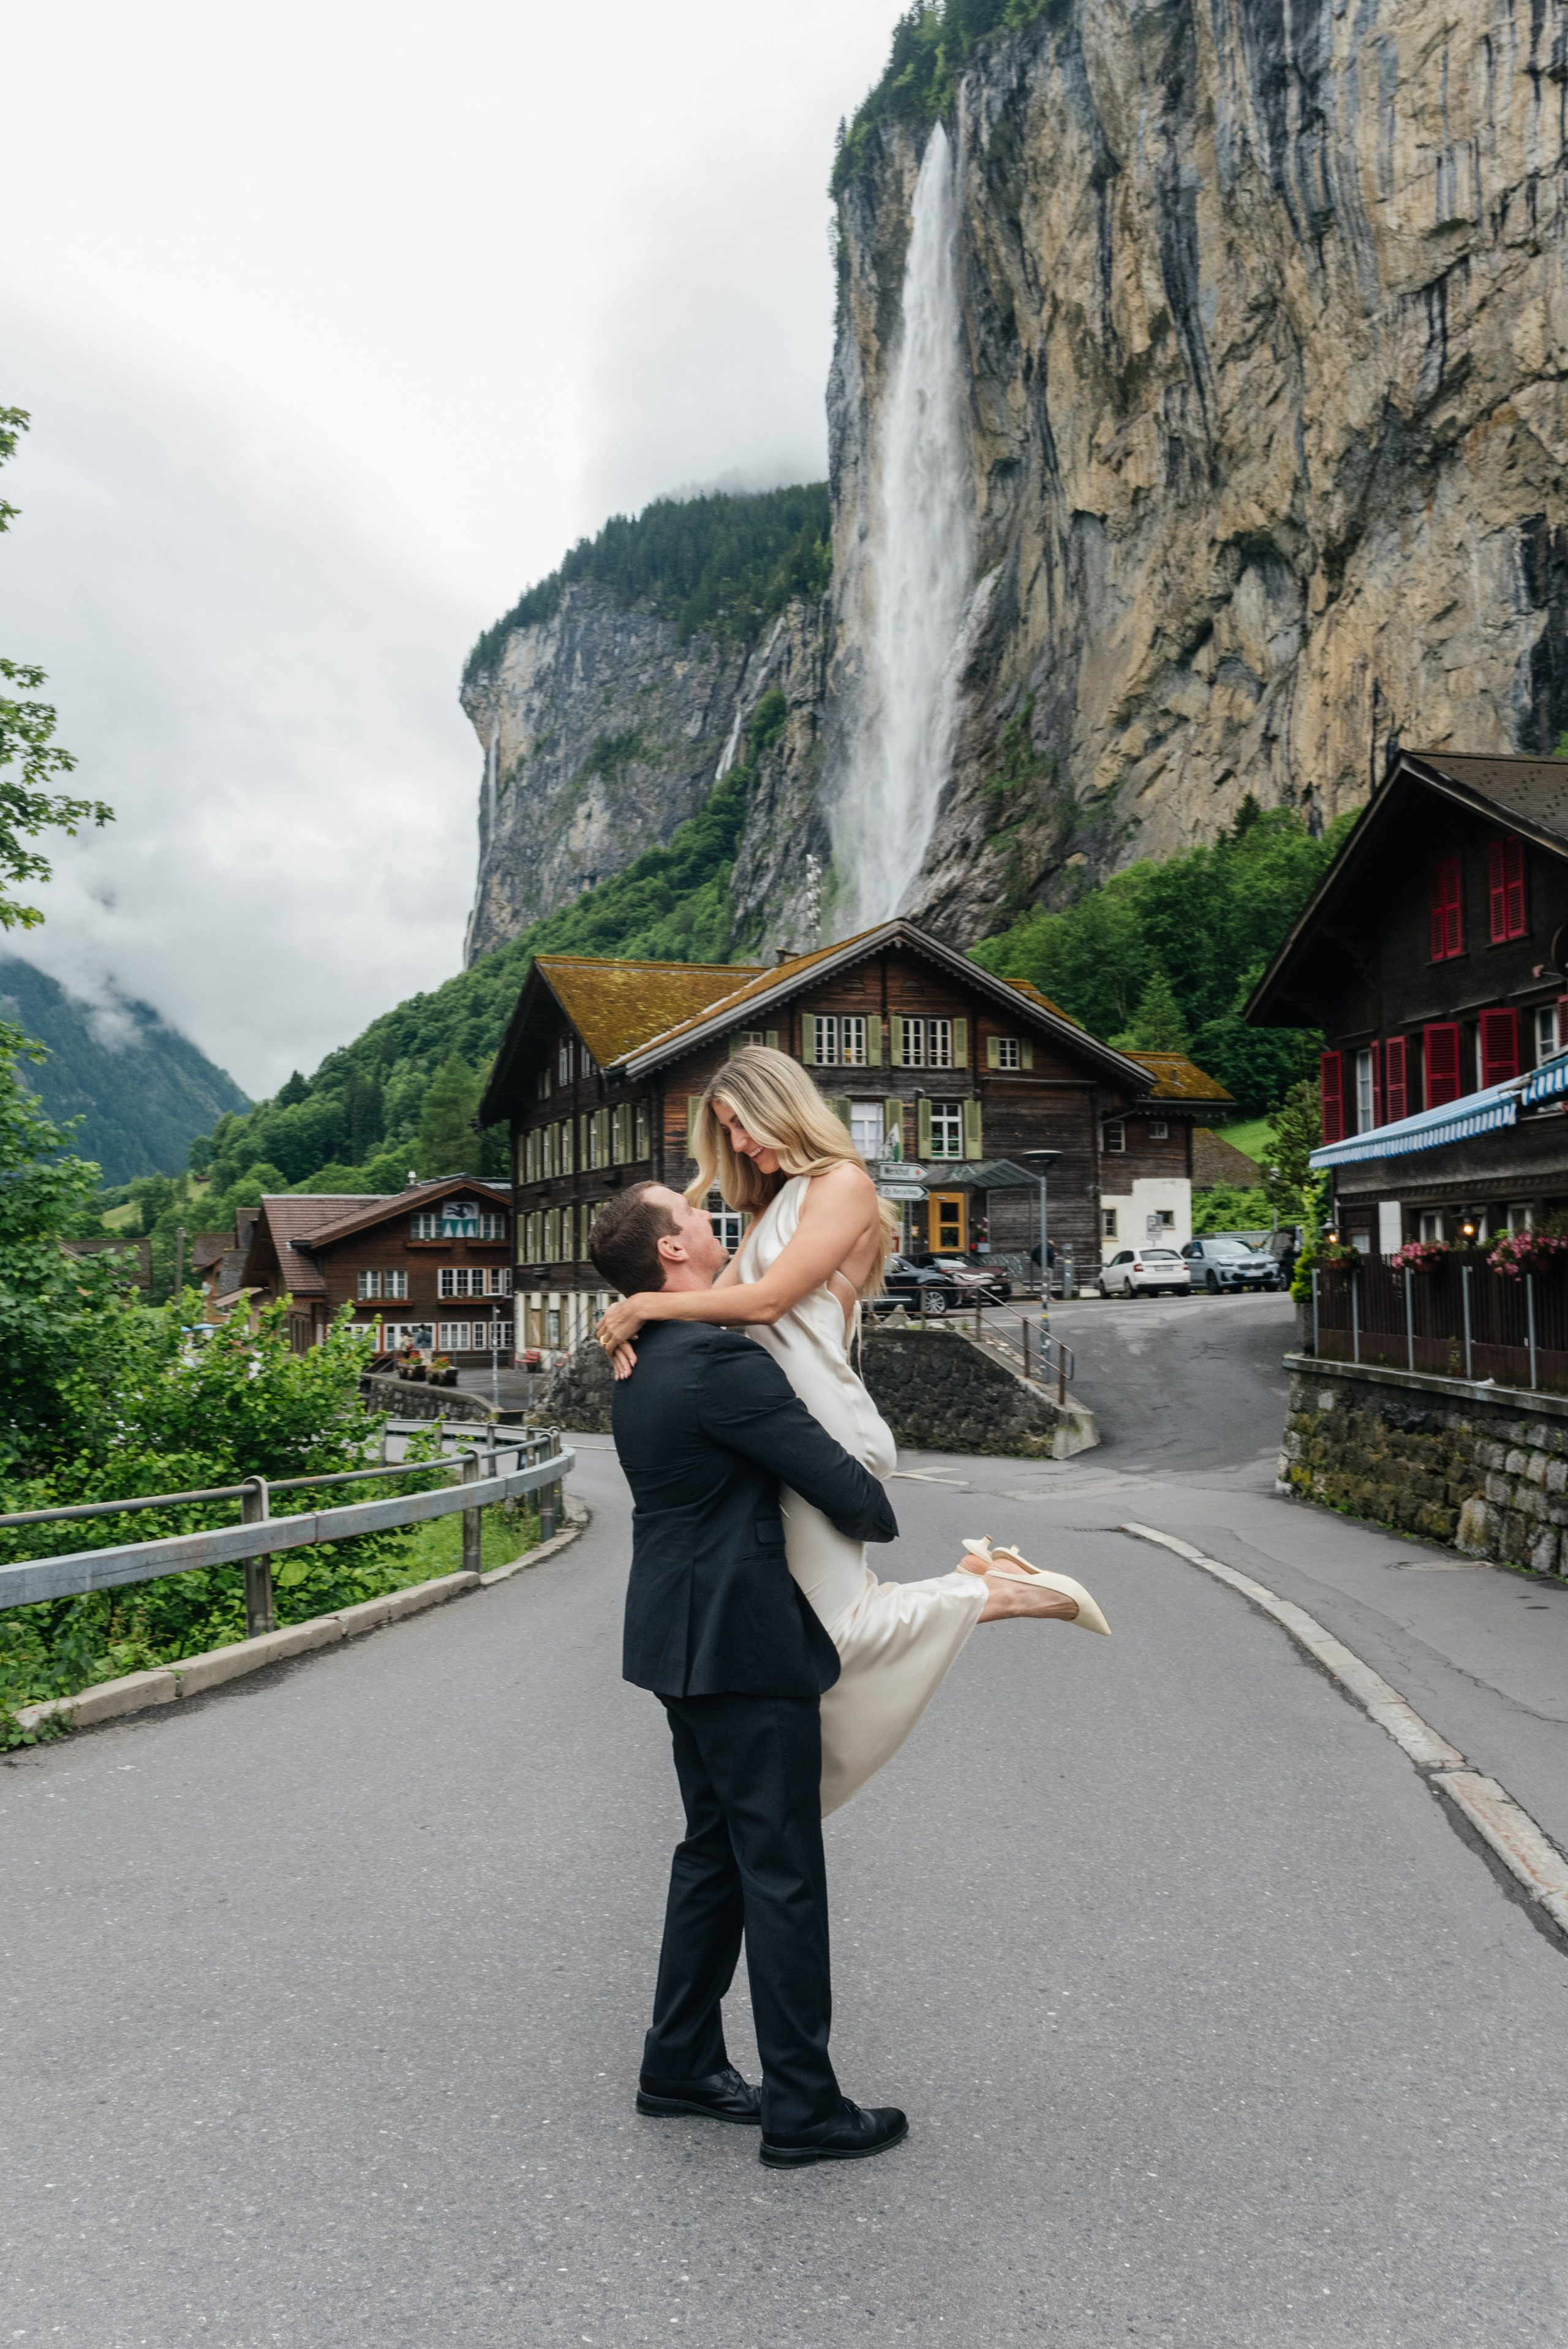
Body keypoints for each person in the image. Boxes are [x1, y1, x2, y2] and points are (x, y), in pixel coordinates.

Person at [596, 1045, 1109, 1822]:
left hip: (815, 1421)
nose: (736, 1145)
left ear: (780, 1106)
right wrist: (628, 1308)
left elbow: (763, 1304)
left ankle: (998, 1591)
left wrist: (645, 1307)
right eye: (726, 1133)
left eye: (739, 1125)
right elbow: (715, 1298)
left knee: (834, 1629)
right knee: (799, 1637)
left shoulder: (843, 1184)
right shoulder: (776, 1206)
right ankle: (980, 1583)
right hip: (771, 1426)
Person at [588, 1182, 910, 2167]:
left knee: (716, 1852)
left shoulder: (639, 1360)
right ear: (672, 1254)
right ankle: (804, 2107)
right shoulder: (720, 1360)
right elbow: (855, 1494)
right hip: (744, 1641)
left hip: (678, 1639)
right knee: (782, 1871)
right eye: (686, 1216)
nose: (708, 1220)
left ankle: (678, 2061)